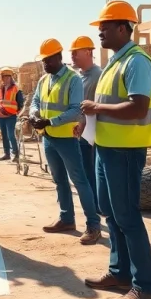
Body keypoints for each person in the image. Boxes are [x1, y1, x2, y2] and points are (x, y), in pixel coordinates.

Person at [81, 0, 151, 299]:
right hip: (106, 147)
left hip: (125, 150)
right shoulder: (116, 61)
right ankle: (120, 273)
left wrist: (96, 109)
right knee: (110, 213)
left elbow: (137, 107)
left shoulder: (136, 61)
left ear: (123, 28)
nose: (100, 32)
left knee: (127, 216)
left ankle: (145, 287)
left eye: (105, 27)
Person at [30, 39, 100, 245]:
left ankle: (93, 226)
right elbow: (35, 101)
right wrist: (35, 114)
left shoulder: (73, 79)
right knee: (59, 180)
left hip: (66, 139)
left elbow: (75, 109)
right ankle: (67, 219)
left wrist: (51, 120)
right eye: (43, 61)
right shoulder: (44, 80)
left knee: (79, 181)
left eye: (49, 60)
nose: (45, 64)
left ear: (59, 57)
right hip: (49, 138)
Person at [69, 35, 103, 242]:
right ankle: (95, 206)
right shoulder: (78, 77)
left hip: (92, 132)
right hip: (80, 132)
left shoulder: (98, 75)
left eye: (75, 52)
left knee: (90, 172)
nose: (72, 56)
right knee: (85, 172)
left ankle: (96, 208)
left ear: (89, 52)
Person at [0, 67, 24, 162]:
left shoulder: (16, 88)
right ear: (2, 78)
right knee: (4, 135)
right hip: (1, 115)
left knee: (11, 135)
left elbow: (20, 102)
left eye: (8, 77)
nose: (6, 79)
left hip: (11, 116)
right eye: (4, 77)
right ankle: (6, 154)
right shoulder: (0, 88)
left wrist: (17, 112)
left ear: (11, 77)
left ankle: (15, 154)